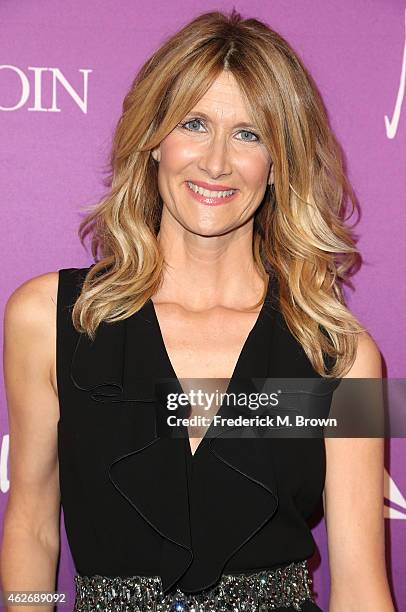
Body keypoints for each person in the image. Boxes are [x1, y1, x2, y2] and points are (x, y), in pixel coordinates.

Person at [1, 9, 395, 612]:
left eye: (249, 134)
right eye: (194, 123)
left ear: (279, 163)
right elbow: (30, 525)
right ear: (153, 141)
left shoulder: (338, 355)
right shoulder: (49, 319)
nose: (216, 162)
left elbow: (361, 584)